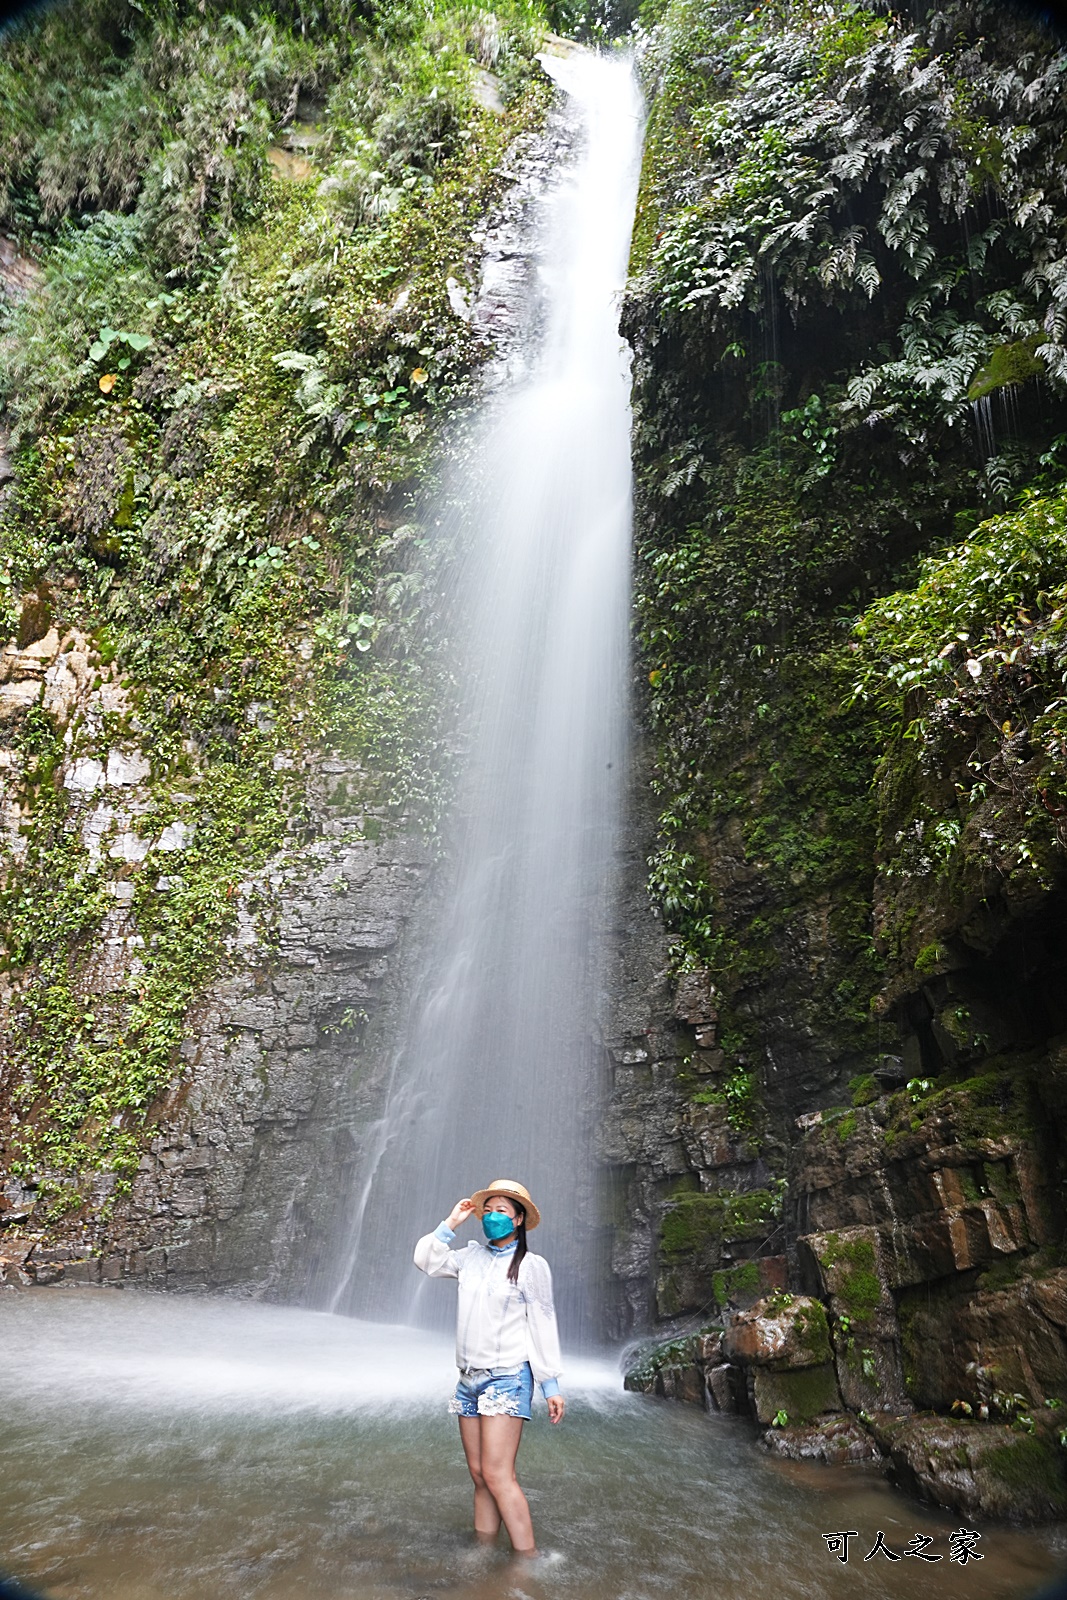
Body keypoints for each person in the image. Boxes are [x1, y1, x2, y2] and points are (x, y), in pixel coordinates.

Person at [414, 1178, 565, 1556]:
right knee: (480, 1475)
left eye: (502, 1211)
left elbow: (543, 1324)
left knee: (499, 1475)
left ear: (517, 1221)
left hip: (508, 1377)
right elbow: (426, 1260)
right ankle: (483, 1553)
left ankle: (528, 1561)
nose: (492, 1216)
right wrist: (451, 1222)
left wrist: (550, 1384)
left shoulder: (531, 1266)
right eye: (488, 1209)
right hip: (468, 1379)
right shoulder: (469, 1258)